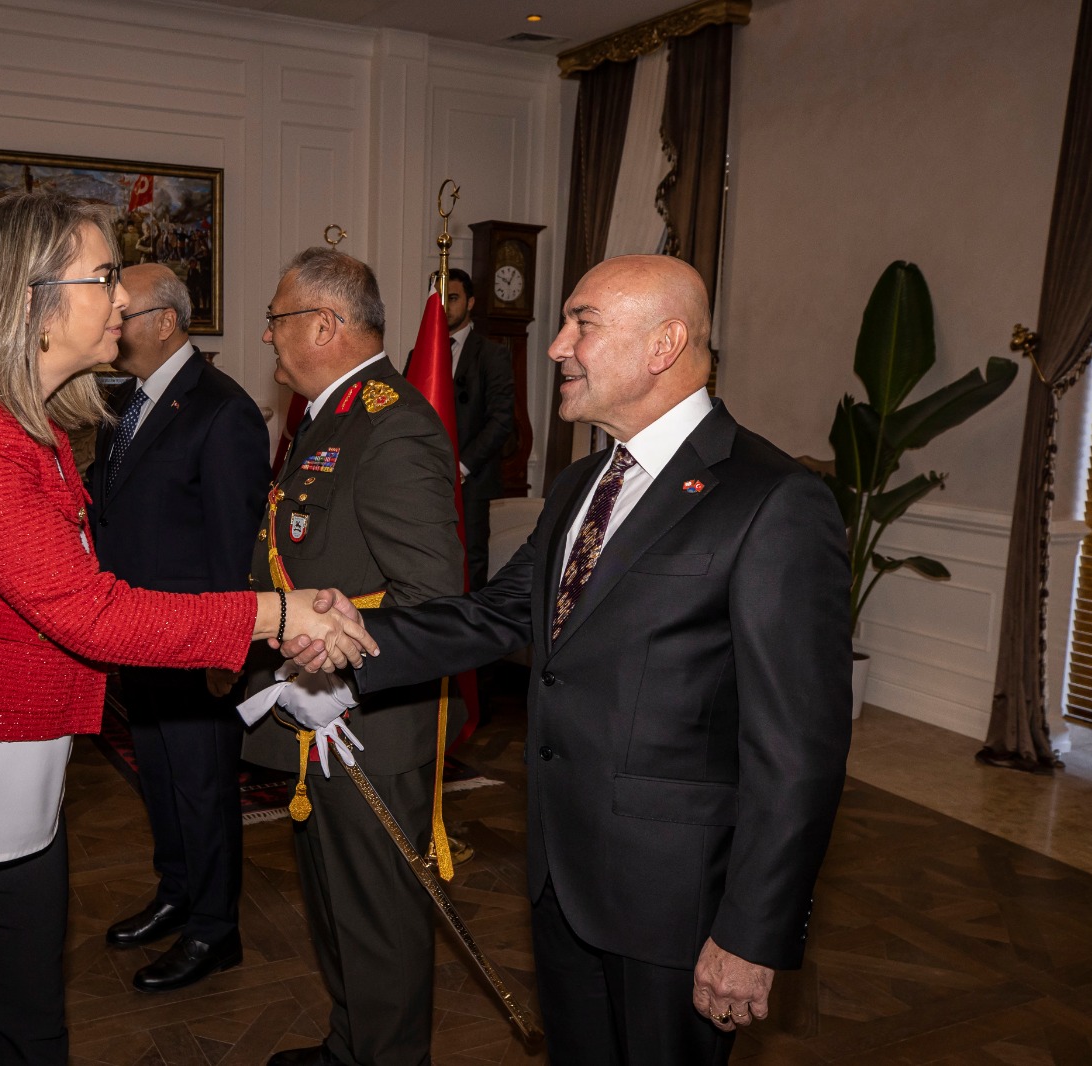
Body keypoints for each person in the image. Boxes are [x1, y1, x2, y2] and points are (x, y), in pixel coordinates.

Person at [0, 192, 373, 1066]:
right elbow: (86, 609)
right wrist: (278, 612)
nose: (122, 298)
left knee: (31, 1029)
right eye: (103, 277)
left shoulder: (39, 427)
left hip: (13, 773)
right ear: (32, 295)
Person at [292, 255, 852, 1065]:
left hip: (676, 906)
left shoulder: (771, 500)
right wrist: (353, 637)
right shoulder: (585, 481)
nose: (557, 346)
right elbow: (496, 613)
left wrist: (751, 933)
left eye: (581, 324)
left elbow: (798, 749)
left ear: (663, 344)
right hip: (563, 876)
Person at [242, 247, 464, 1066]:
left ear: (324, 325)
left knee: (380, 918)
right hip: (317, 706)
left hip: (367, 719)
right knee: (336, 904)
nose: (268, 335)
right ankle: (350, 1046)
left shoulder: (390, 422)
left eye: (277, 319)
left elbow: (431, 596)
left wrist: (346, 676)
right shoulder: (331, 416)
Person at [87, 263, 269, 992]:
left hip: (196, 640)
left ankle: (215, 929)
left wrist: (227, 648)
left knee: (202, 785)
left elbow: (233, 546)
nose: (110, 324)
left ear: (165, 322)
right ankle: (177, 892)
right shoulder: (123, 401)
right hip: (137, 632)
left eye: (121, 312)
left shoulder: (223, 411)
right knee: (159, 775)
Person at [444, 267, 515, 589]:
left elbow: (501, 419)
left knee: (469, 562)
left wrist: (462, 466)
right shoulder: (422, 353)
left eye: (453, 298)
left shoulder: (492, 354)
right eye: (440, 298)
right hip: (428, 478)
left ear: (470, 302)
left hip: (471, 480)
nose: (445, 306)